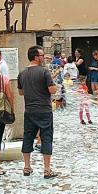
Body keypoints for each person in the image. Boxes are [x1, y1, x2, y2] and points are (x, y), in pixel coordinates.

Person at [19, 46, 59, 178]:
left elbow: (20, 92)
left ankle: (26, 167)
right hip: (44, 110)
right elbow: (52, 90)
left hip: (29, 110)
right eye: (42, 55)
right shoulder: (44, 72)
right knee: (46, 138)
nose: (43, 58)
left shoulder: (22, 73)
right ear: (36, 57)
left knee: (28, 137)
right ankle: (47, 170)